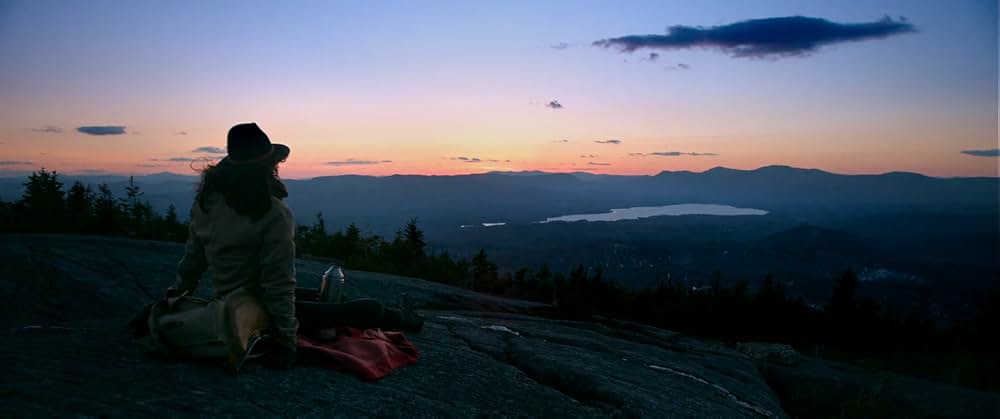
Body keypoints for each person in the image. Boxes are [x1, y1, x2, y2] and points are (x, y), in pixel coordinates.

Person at [165, 122, 422, 369]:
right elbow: (279, 283)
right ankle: (400, 318)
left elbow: (193, 261)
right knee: (360, 310)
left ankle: (395, 315)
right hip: (256, 313)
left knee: (319, 297)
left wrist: (174, 297)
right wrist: (286, 340)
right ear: (268, 167)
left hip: (231, 302)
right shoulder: (272, 213)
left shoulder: (207, 203)